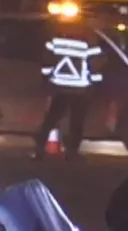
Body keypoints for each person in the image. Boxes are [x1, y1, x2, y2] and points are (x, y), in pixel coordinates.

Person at [34, 22, 101, 161]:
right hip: (80, 89)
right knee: (76, 122)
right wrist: (94, 83)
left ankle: (39, 150)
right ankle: (72, 153)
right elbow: (95, 65)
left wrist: (48, 80)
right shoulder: (88, 42)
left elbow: (46, 62)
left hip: (60, 87)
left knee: (51, 119)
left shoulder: (55, 41)